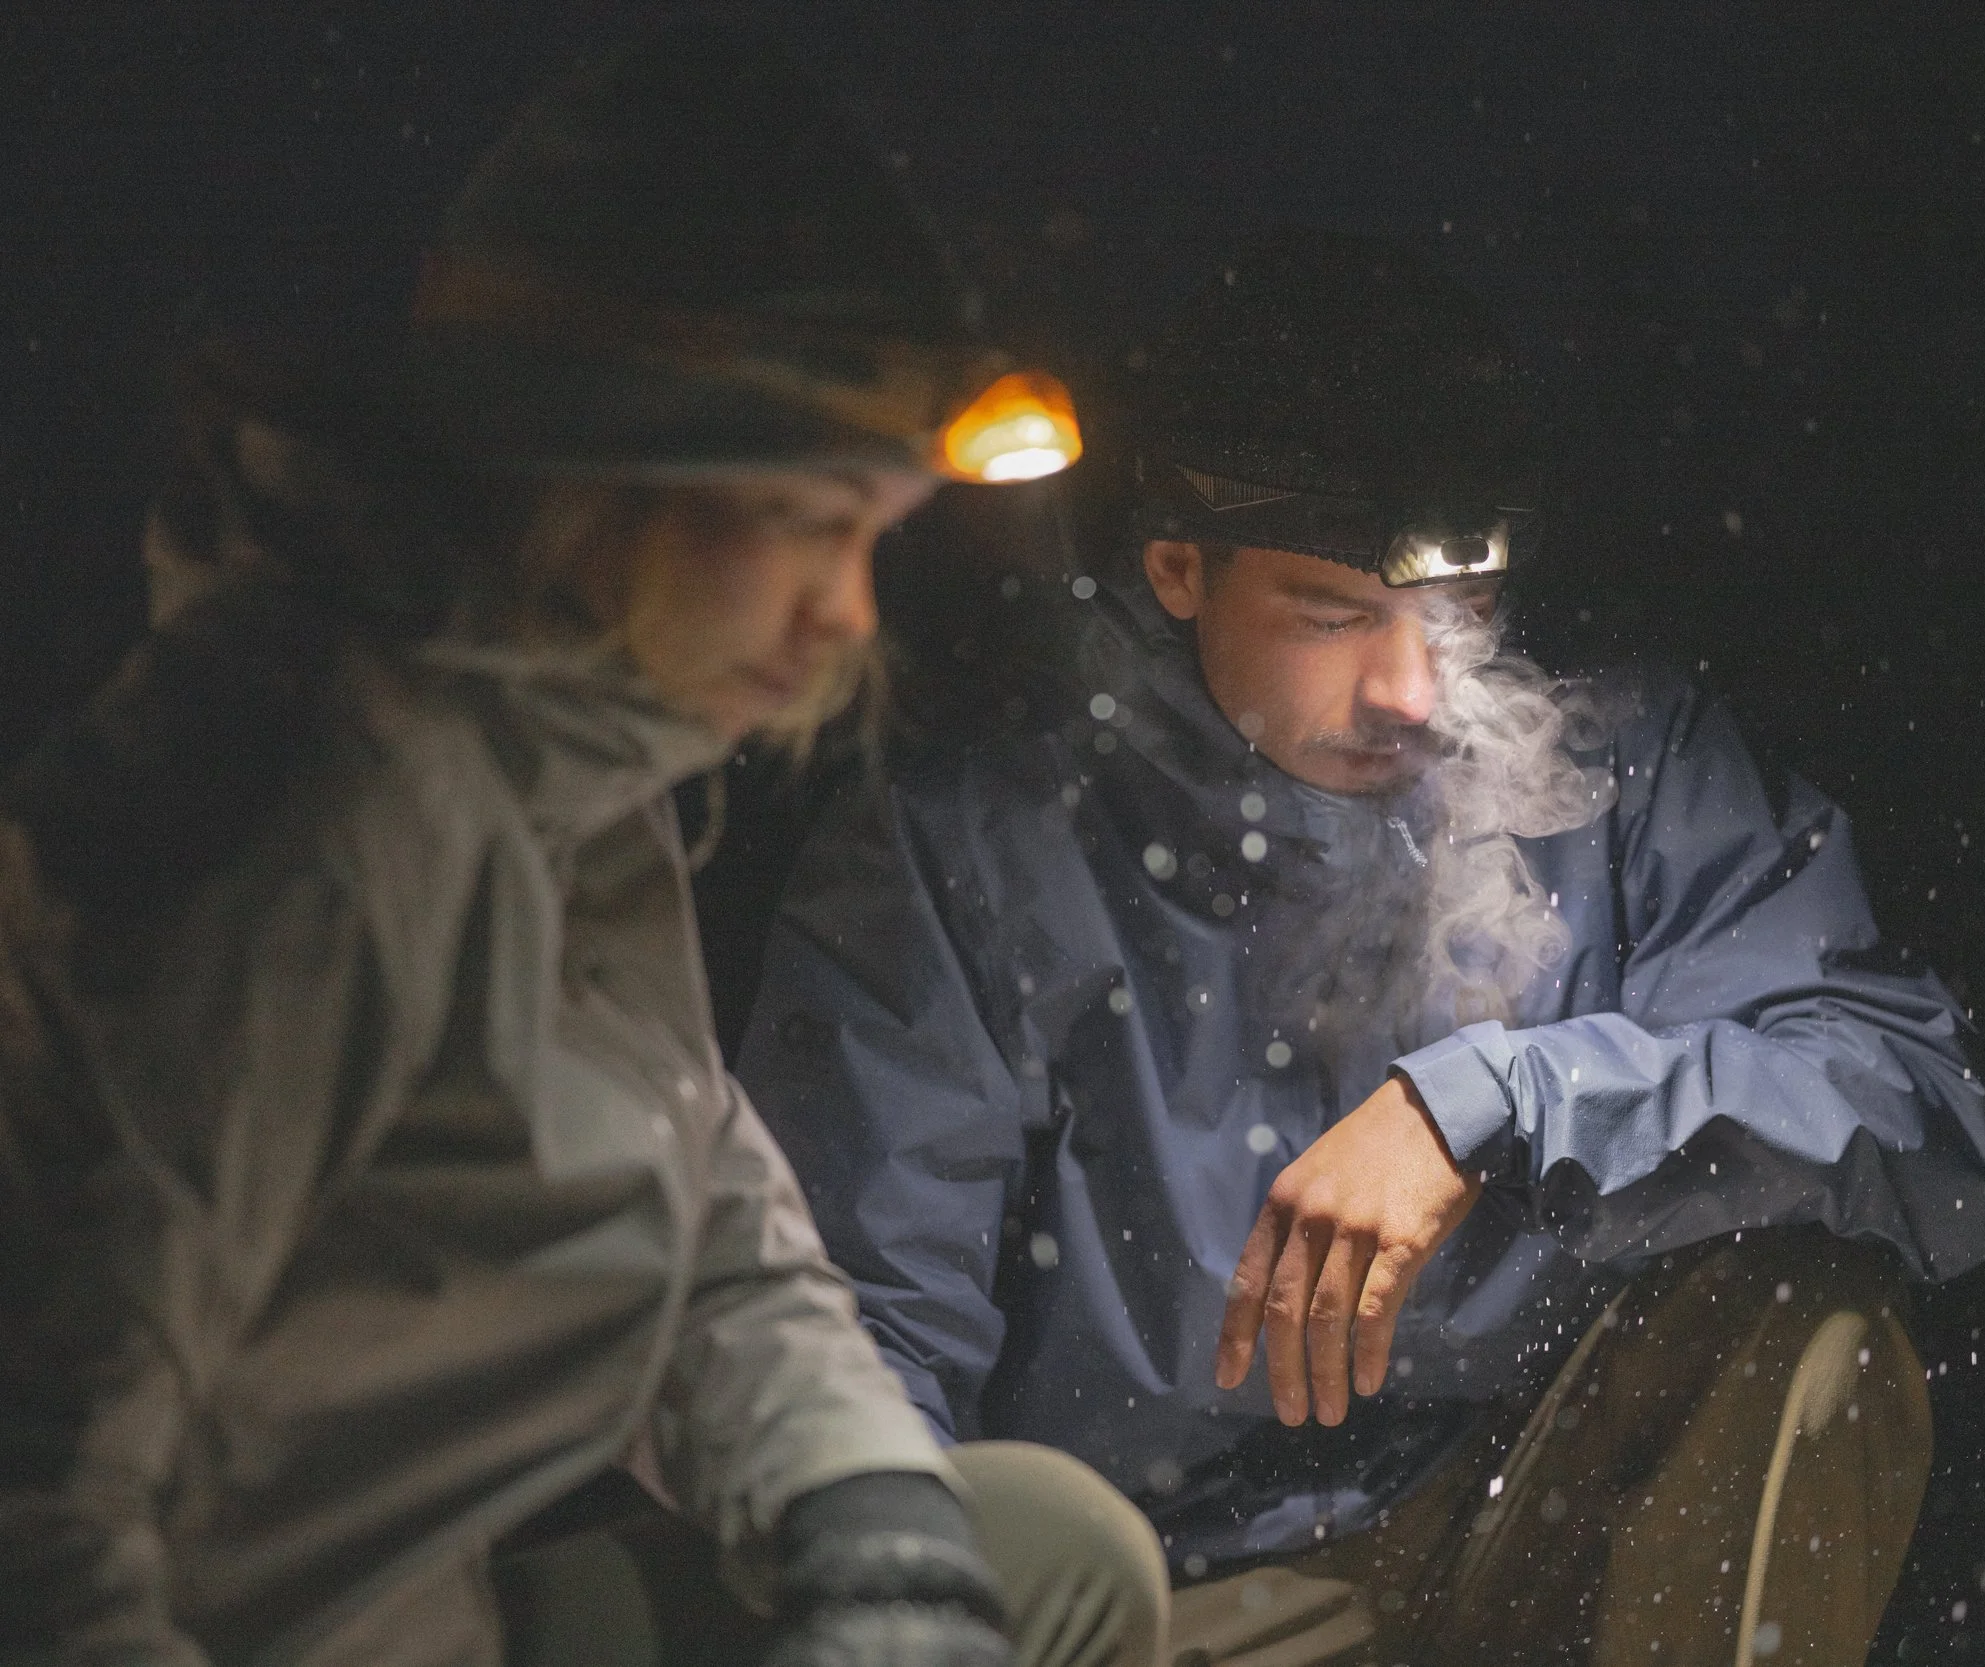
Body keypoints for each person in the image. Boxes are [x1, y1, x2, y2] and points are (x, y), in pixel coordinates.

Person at [0, 23, 1161, 1667]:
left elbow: (698, 1211)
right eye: (807, 526)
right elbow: (33, 1499)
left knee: (1037, 1552)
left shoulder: (574, 763)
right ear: (602, 473)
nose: (847, 613)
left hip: (435, 1607)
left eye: (873, 537)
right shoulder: (304, 818)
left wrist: (864, 1515)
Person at [732, 230, 1985, 1667]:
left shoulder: (1618, 769)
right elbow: (853, 1327)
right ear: (1179, 567)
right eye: (1335, 614)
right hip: (1164, 1585)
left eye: (1458, 613)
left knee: (1802, 1310)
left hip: (1514, 1522)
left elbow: (1922, 1120)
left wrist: (1499, 1103)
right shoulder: (982, 843)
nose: (1412, 692)